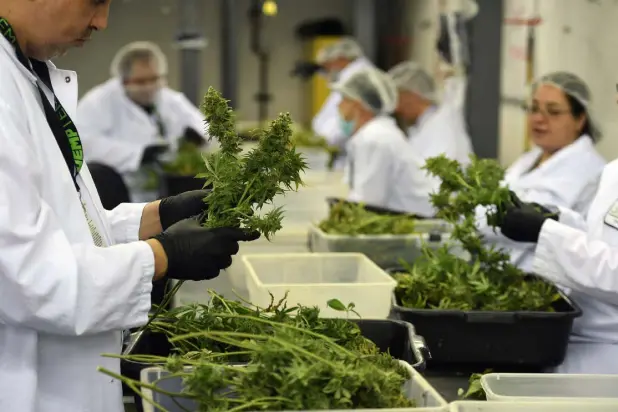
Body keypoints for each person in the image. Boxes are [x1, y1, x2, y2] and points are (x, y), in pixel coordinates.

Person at [0, 2, 259, 411]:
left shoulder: (26, 72)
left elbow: (64, 223)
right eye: (95, 1)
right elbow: (24, 277)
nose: (102, 21)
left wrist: (157, 215)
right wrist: (163, 255)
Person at [474, 72, 606, 274]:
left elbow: (521, 226)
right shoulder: (531, 157)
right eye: (534, 108)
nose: (538, 119)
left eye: (553, 112)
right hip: (497, 270)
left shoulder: (589, 171)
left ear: (580, 120)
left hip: (538, 281)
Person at [77, 41, 213, 201]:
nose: (149, 87)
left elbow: (206, 129)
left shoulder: (170, 99)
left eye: (155, 79)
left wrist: (199, 137)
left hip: (165, 190)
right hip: (119, 191)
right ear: (124, 80)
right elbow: (84, 143)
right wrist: (138, 154)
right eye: (141, 82)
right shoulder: (98, 102)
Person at [331, 66, 438, 216]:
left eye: (344, 100)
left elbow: (368, 202)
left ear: (358, 105)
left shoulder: (375, 138)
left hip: (421, 223)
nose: (339, 106)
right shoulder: (375, 134)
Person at [388, 60, 474, 165]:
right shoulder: (423, 129)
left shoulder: (442, 126)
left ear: (411, 96)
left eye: (399, 100)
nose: (396, 109)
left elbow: (434, 175)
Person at [312, 37, 373, 169]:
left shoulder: (357, 76)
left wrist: (324, 141)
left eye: (328, 65)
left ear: (340, 58)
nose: (327, 71)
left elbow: (346, 118)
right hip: (345, 151)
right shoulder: (349, 75)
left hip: (348, 150)